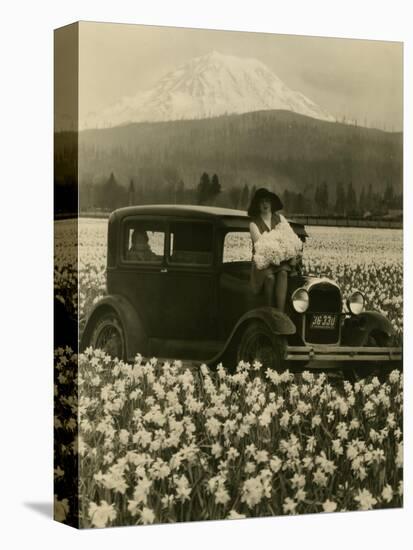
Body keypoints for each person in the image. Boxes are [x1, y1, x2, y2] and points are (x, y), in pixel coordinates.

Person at [247, 188, 295, 311]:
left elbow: (289, 238)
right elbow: (262, 246)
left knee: (283, 273)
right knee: (269, 278)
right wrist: (280, 243)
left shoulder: (280, 219)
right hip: (262, 263)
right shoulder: (253, 224)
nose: (265, 204)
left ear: (271, 203)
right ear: (257, 204)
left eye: (267, 201)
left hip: (280, 260)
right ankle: (270, 314)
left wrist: (284, 249)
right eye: (262, 201)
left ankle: (280, 313)